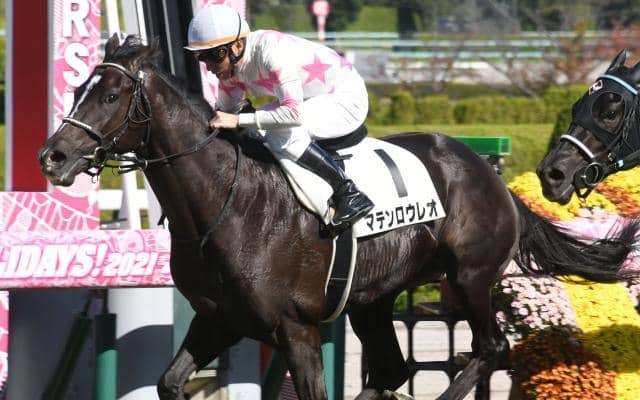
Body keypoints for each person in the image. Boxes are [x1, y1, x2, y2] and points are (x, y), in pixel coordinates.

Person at [185, 4, 374, 230]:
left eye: (213, 56)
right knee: (253, 130)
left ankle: (349, 192)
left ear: (237, 45)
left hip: (345, 97)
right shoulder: (230, 67)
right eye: (202, 57)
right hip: (312, 98)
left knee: (280, 133)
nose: (209, 66)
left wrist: (237, 120)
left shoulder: (270, 53)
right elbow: (223, 117)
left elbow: (292, 114)